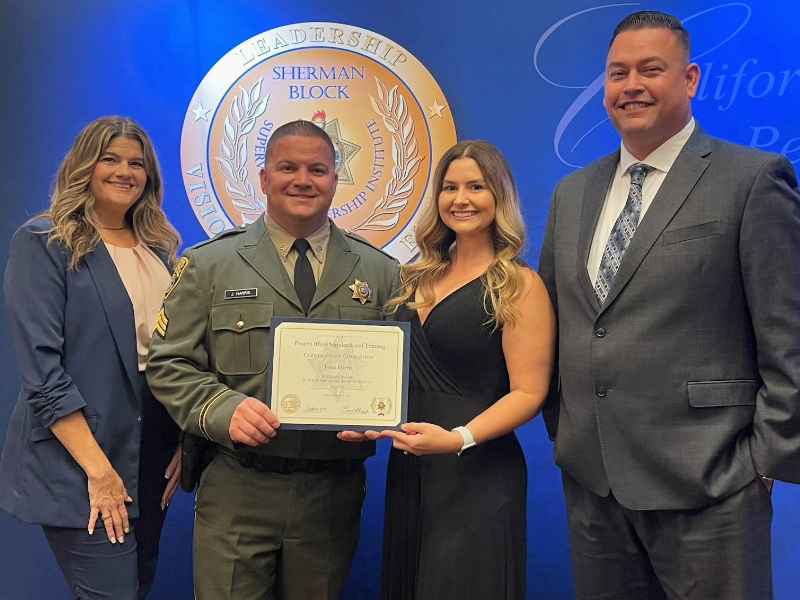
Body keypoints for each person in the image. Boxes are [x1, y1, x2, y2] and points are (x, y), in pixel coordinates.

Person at [538, 10, 800, 600]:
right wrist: (568, 432)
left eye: (652, 69)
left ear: (691, 78)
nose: (632, 85)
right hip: (593, 485)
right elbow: (562, 323)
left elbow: (799, 334)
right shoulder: (573, 193)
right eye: (617, 72)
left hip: (713, 483)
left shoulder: (752, 180)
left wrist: (764, 464)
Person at [145, 119, 400, 600]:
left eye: (317, 169)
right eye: (288, 167)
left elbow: (402, 372)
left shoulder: (381, 272)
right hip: (239, 485)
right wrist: (223, 409)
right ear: (264, 179)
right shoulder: (208, 264)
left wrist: (382, 414)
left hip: (331, 493)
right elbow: (168, 364)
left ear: (334, 179)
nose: (303, 180)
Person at [0, 115, 183, 599]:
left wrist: (184, 438)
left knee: (138, 585)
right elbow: (43, 373)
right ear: (85, 165)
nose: (125, 171)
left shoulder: (159, 249)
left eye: (136, 163)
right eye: (111, 159)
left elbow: (173, 357)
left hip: (152, 453)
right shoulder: (45, 242)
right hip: (82, 458)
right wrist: (100, 472)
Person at [366, 140, 555, 600]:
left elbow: (529, 392)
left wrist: (457, 439)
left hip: (477, 471)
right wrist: (357, 417)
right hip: (412, 466)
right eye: (449, 187)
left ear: (500, 196)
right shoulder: (413, 277)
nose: (460, 199)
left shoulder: (517, 283)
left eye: (476, 186)